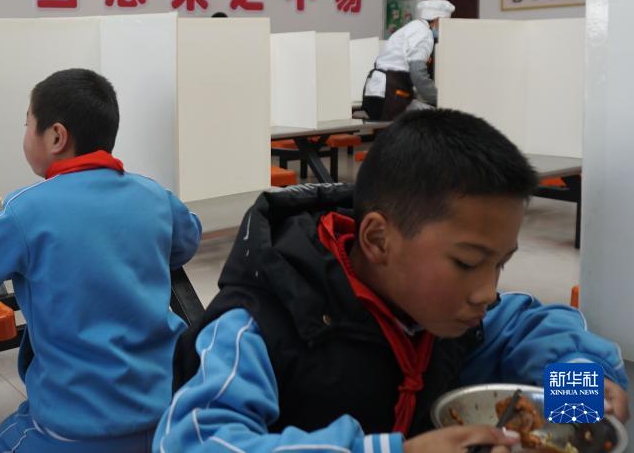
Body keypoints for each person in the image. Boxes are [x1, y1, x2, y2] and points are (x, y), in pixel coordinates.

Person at [155, 109, 629, 453]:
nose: (487, 292)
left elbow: (530, 324)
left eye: (500, 264)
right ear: (378, 239)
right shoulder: (254, 327)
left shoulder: (440, 310)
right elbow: (195, 441)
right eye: (467, 262)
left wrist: (578, 386)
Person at [0, 68, 202, 452]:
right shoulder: (154, 195)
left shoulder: (24, 210)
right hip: (169, 409)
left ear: (56, 136)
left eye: (27, 124)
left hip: (75, 427)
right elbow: (187, 239)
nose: (25, 135)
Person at [363, 0, 454, 120]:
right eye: (446, 23)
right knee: (441, 117)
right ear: (437, 20)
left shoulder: (412, 27)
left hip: (376, 96)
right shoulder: (424, 33)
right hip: (391, 99)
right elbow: (418, 73)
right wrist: (441, 99)